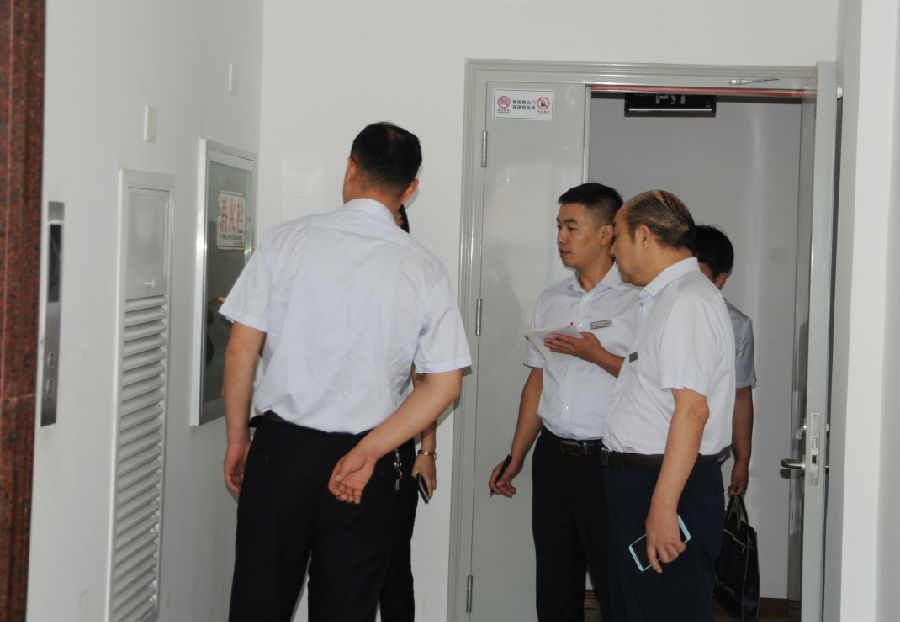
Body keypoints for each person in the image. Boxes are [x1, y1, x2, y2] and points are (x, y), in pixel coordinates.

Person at [220, 122, 471, 622]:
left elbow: (240, 351)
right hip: (366, 465)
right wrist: (370, 450)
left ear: (351, 167)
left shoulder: (286, 241)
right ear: (410, 189)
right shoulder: (424, 269)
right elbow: (444, 385)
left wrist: (237, 440)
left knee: (258, 605)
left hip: (281, 454)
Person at [488, 182, 639, 621]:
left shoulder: (638, 302)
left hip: (611, 462)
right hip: (554, 459)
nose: (560, 238)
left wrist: (598, 355)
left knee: (617, 584)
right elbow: (538, 380)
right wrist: (517, 454)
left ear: (607, 233)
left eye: (572, 228)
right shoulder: (552, 299)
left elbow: (652, 383)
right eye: (559, 227)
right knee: (555, 584)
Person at [605, 190, 735, 621]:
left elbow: (692, 411)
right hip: (647, 482)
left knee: (666, 609)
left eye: (617, 237)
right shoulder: (668, 298)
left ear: (644, 236)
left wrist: (663, 507)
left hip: (665, 486)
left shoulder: (687, 301)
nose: (612, 250)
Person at [378, 204, 439, 622]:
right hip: (339, 444)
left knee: (394, 566)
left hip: (395, 450)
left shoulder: (415, 288)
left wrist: (427, 451)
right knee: (339, 566)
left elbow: (428, 382)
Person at [694, 224, 756, 496]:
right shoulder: (650, 310)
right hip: (649, 455)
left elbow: (741, 396)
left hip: (705, 457)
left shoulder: (737, 325)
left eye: (696, 274)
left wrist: (742, 459)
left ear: (719, 279)